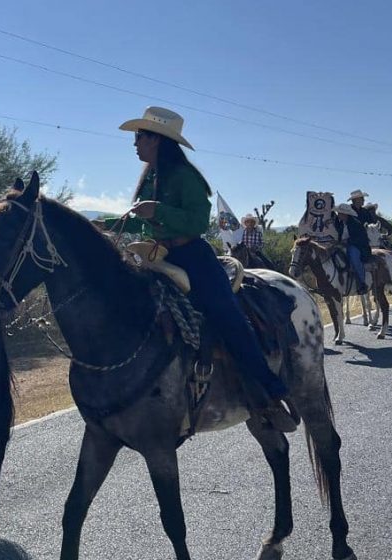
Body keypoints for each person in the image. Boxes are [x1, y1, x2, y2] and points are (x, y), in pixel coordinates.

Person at [98, 106, 297, 432]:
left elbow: (197, 221)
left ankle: (271, 392)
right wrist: (105, 224)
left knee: (228, 316)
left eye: (140, 137)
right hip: (156, 256)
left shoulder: (185, 177)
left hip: (191, 256)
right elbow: (140, 217)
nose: (135, 144)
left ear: (158, 140)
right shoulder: (151, 175)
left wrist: (158, 210)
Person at [333, 203, 372, 294]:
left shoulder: (355, 223)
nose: (338, 214)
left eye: (340, 213)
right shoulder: (340, 223)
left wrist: (347, 241)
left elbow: (360, 238)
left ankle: (362, 283)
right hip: (343, 245)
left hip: (358, 246)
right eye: (338, 213)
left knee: (354, 258)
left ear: (345, 214)